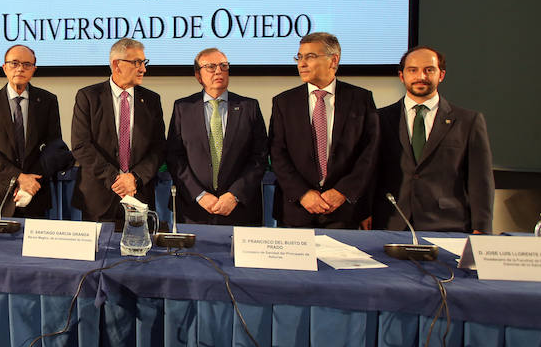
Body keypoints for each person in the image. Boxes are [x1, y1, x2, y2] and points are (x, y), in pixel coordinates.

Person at [372, 46, 494, 233]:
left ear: (441, 75)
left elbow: (480, 181)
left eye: (429, 70)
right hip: (391, 222)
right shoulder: (379, 118)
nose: (421, 76)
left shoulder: (468, 121)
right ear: (402, 76)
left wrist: (482, 228)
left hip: (449, 224)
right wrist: (363, 214)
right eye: (413, 70)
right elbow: (370, 172)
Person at [269, 32, 379, 228]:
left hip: (344, 211)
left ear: (333, 60)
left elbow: (369, 153)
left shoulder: (360, 99)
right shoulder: (284, 102)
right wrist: (303, 194)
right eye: (299, 57)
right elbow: (277, 154)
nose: (302, 64)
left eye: (310, 57)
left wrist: (342, 192)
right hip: (297, 210)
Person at [166, 48, 268, 225]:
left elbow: (259, 157)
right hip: (194, 209)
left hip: (239, 209)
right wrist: (199, 194)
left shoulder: (249, 107)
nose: (219, 71)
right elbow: (175, 158)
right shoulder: (183, 108)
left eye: (223, 66)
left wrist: (235, 194)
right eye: (211, 67)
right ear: (198, 76)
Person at [71, 38, 166, 227]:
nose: (143, 69)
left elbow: (159, 148)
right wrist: (115, 179)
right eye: (137, 62)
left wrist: (134, 178)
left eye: (144, 62)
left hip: (138, 195)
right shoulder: (88, 96)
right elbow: (81, 146)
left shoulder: (151, 100)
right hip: (98, 199)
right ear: (117, 65)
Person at [0, 45, 70, 218]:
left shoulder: (47, 101)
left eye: (27, 64)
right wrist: (18, 177)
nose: (20, 69)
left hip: (36, 191)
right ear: (4, 67)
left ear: (34, 69)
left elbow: (54, 146)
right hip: (0, 195)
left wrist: (30, 181)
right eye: (14, 63)